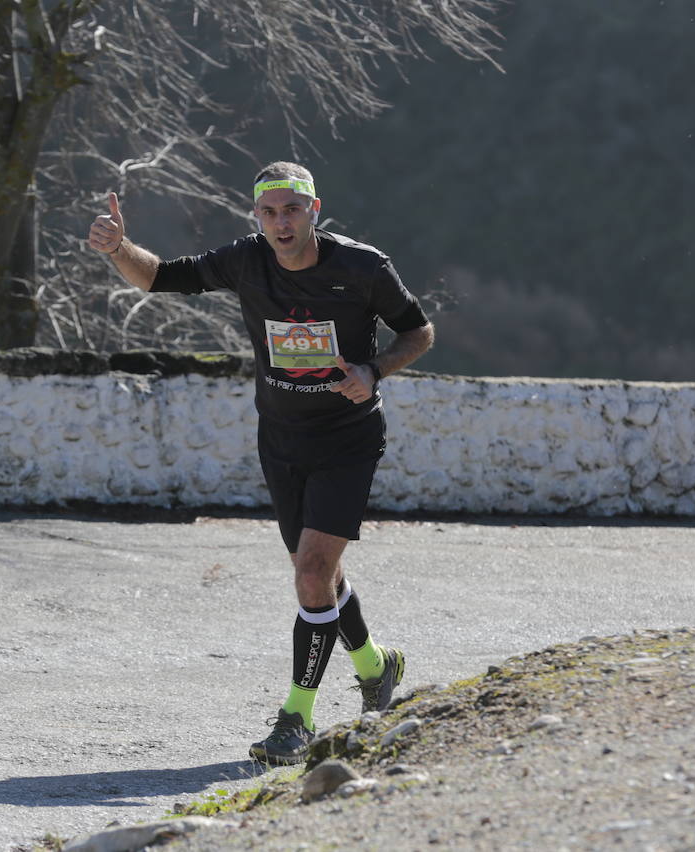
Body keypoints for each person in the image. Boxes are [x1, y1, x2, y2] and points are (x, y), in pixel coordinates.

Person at [86, 161, 435, 766]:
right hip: (281, 441)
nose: (281, 222)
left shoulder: (362, 267)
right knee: (316, 574)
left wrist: (374, 370)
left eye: (292, 210)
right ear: (258, 216)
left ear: (314, 210)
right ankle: (378, 667)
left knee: (309, 572)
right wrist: (119, 249)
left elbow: (419, 332)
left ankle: (295, 719)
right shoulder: (246, 259)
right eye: (269, 211)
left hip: (348, 439)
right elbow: (160, 278)